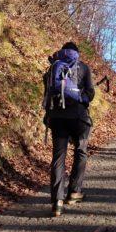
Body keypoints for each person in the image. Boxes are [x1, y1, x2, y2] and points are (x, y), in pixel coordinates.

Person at [42, 41, 95, 217]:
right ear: (76, 53)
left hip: (57, 118)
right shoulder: (83, 67)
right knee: (81, 151)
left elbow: (47, 93)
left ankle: (57, 201)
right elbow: (91, 93)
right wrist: (83, 98)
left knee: (59, 156)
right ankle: (74, 192)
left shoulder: (53, 67)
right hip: (79, 118)